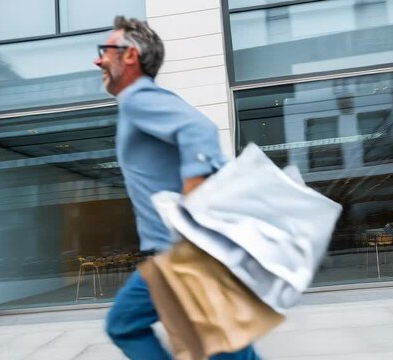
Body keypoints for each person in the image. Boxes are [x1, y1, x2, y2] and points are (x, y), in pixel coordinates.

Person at [94, 16, 261, 360]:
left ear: (129, 56)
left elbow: (199, 129)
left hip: (184, 253)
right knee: (223, 346)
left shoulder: (138, 98)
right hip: (178, 253)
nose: (98, 60)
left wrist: (194, 189)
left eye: (106, 50)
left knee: (126, 324)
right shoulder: (141, 101)